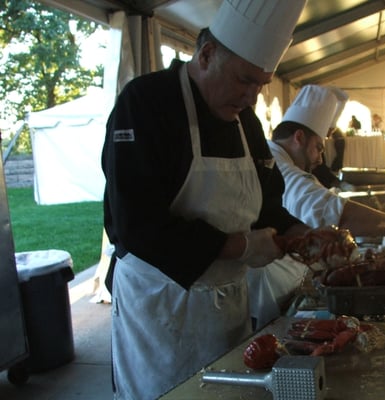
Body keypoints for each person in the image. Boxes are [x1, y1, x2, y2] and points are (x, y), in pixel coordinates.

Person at [100, 1, 308, 398]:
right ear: (207, 54)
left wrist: (303, 233)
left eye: (260, 85)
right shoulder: (146, 102)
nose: (251, 96)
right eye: (244, 80)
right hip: (160, 307)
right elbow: (137, 224)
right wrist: (241, 246)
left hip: (227, 306)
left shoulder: (245, 120)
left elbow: (266, 205)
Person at [248, 85, 385, 328]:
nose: (319, 160)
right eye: (318, 148)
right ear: (299, 138)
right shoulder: (281, 168)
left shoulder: (279, 160)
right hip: (267, 292)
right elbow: (328, 210)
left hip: (280, 283)